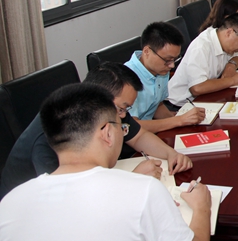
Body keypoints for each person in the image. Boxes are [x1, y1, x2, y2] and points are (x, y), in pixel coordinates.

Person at [0, 82, 211, 241]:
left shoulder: (10, 202)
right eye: (122, 127)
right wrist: (202, 207)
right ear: (108, 133)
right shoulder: (143, 190)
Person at [0, 62, 193, 199]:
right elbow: (69, 199)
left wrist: (171, 154)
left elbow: (139, 136)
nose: (123, 115)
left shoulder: (106, 110)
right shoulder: (53, 134)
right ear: (100, 98)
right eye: (122, 108)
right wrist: (133, 179)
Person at [125, 22, 206, 132]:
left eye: (174, 59)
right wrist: (179, 120)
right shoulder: (126, 80)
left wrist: (178, 118)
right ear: (147, 51)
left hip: (150, 131)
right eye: (167, 60)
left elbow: (157, 105)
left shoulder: (161, 70)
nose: (172, 66)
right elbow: (131, 127)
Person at [167, 12, 238, 108]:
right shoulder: (201, 47)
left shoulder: (222, 40)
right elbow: (197, 88)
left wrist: (231, 65)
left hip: (205, 98)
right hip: (180, 105)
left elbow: (237, 57)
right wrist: (233, 80)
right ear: (229, 33)